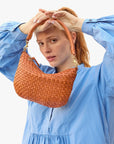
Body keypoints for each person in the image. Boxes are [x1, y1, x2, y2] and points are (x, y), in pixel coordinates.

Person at [0, 7, 114, 144]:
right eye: (41, 43)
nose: (46, 49)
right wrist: (28, 27)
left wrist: (79, 24)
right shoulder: (35, 77)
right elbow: (3, 57)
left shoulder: (100, 79)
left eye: (53, 40)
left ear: (72, 37)